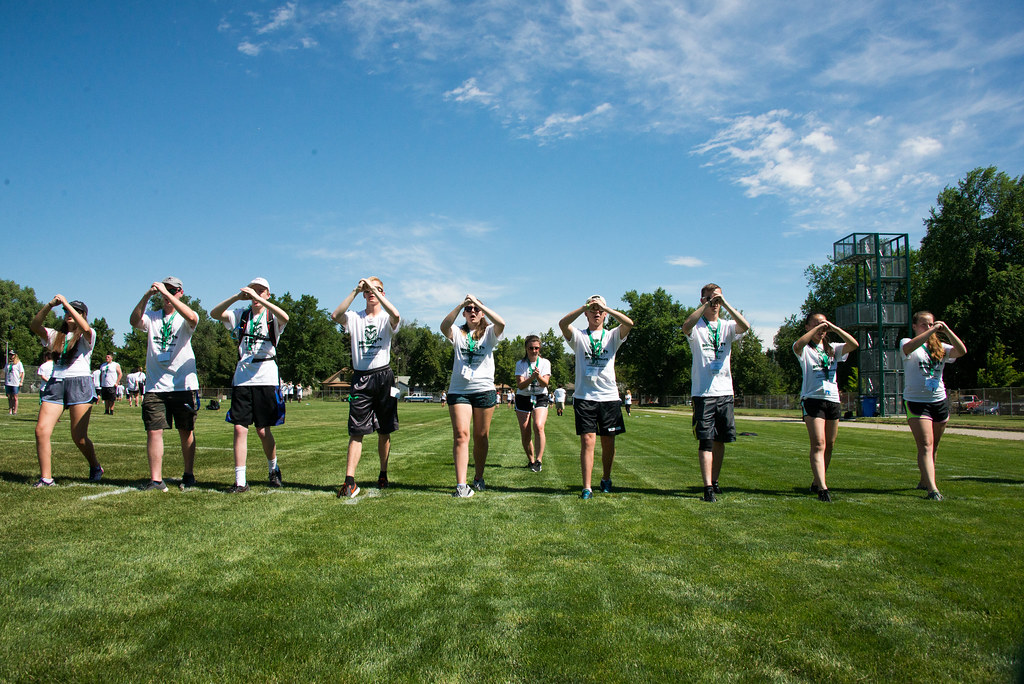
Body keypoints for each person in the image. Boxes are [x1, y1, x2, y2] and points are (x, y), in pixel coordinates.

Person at [211, 277, 290, 493]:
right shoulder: (241, 315)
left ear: (268, 294)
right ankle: (240, 481)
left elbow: (285, 317)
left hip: (266, 376)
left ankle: (273, 469)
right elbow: (215, 314)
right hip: (243, 376)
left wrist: (260, 300)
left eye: (261, 291)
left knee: (263, 431)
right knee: (239, 427)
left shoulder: (271, 316)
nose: (256, 294)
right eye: (253, 290)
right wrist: (237, 297)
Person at [331, 277, 402, 498]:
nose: (372, 292)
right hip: (361, 378)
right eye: (368, 290)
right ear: (363, 294)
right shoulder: (355, 317)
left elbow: (396, 315)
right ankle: (350, 481)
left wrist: (376, 291)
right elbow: (335, 315)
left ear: (383, 293)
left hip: (384, 377)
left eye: (377, 289)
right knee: (356, 430)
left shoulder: (386, 318)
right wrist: (355, 289)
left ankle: (383, 472)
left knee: (384, 430)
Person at [559, 295, 633, 499]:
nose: (597, 312)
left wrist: (606, 308)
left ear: (605, 313)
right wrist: (584, 306)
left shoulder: (612, 335)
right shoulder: (579, 336)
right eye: (593, 309)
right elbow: (562, 324)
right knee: (587, 441)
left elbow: (629, 323)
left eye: (600, 310)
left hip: (609, 397)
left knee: (608, 443)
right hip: (585, 396)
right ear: (586, 313)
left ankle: (606, 478)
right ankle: (587, 487)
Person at [681, 283, 750, 502]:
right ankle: (707, 487)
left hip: (724, 391)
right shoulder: (698, 327)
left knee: (721, 440)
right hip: (703, 393)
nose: (715, 303)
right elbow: (685, 326)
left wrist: (725, 303)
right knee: (706, 440)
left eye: (717, 299)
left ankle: (715, 480)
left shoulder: (727, 326)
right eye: (711, 299)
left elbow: (745, 326)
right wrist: (706, 305)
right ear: (703, 301)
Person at [130, 277, 200, 492]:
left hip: (182, 385)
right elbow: (134, 321)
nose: (168, 294)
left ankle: (188, 474)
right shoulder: (152, 317)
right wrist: (147, 295)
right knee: (154, 431)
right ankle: (156, 480)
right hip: (155, 385)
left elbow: (192, 318)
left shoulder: (185, 315)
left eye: (173, 290)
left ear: (181, 292)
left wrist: (168, 294)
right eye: (165, 290)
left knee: (185, 430)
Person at [28, 296, 103, 486]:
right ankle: (46, 478)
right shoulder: (55, 335)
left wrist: (68, 305)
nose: (70, 314)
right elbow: (35, 325)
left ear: (83, 315)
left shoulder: (88, 335)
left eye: (75, 312)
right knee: (41, 430)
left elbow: (85, 328)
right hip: (56, 383)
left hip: (80, 383)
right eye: (67, 312)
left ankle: (95, 466)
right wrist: (50, 305)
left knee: (79, 437)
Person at [442, 295, 505, 497]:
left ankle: (478, 476)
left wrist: (479, 304)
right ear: (464, 313)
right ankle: (461, 485)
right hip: (459, 390)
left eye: (476, 309)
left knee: (481, 436)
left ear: (482, 312)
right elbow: (444, 326)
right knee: (461, 434)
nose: (473, 311)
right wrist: (461, 304)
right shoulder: (457, 332)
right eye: (468, 309)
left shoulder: (489, 332)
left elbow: (502, 323)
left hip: (484, 389)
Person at [792, 313, 859, 502]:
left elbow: (853, 344)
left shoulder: (833, 348)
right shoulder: (805, 349)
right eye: (816, 324)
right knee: (818, 443)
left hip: (832, 399)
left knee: (829, 444)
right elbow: (797, 345)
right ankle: (823, 488)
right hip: (812, 399)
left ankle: (816, 481)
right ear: (807, 327)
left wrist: (834, 328)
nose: (821, 328)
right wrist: (816, 329)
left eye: (823, 324)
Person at [901, 311, 967, 501]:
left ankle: (924, 480)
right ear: (914, 326)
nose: (929, 327)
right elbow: (908, 348)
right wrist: (931, 332)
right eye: (924, 324)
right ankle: (933, 489)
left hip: (938, 400)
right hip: (916, 401)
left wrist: (947, 331)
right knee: (925, 444)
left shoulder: (940, 347)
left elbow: (961, 351)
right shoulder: (908, 342)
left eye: (931, 324)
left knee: (934, 445)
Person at [514, 335, 552, 472]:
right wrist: (532, 378)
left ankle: (538, 460)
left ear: (539, 348)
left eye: (536, 348)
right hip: (523, 397)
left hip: (540, 396)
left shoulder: (545, 363)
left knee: (539, 426)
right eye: (531, 348)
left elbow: (545, 383)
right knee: (525, 432)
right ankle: (531, 460)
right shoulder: (520, 364)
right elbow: (520, 385)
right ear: (526, 348)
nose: (534, 351)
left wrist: (538, 376)